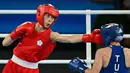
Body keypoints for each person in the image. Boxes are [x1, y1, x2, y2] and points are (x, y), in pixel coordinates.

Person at [2, 4, 103, 73]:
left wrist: (88, 37)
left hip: (29, 69)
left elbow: (68, 38)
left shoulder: (51, 35)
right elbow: (4, 43)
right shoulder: (26, 26)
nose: (50, 20)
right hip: (12, 64)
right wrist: (15, 33)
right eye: (48, 16)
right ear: (40, 14)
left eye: (53, 18)